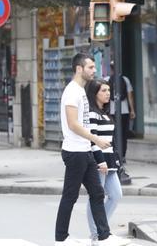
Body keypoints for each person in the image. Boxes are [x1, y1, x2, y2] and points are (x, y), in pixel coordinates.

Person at [54, 52, 129, 246]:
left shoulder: (80, 91)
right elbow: (72, 124)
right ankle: (61, 239)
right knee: (70, 196)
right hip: (74, 152)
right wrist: (95, 139)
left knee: (97, 193)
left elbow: (83, 123)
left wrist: (92, 147)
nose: (94, 70)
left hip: (84, 150)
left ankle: (103, 236)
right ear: (79, 69)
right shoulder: (72, 92)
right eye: (90, 67)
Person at [86, 79, 123, 242]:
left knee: (116, 195)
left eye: (108, 90)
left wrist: (116, 160)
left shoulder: (106, 113)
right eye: (103, 91)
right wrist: (100, 161)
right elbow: (92, 140)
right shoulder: (92, 114)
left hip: (110, 160)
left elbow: (111, 140)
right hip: (98, 160)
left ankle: (103, 229)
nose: (108, 93)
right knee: (96, 197)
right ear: (94, 94)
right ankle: (96, 233)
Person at [106, 62, 135, 161]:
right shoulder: (125, 80)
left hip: (112, 111)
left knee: (112, 134)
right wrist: (132, 110)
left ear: (111, 69)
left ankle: (114, 154)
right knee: (123, 134)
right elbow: (130, 96)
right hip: (124, 111)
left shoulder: (106, 80)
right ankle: (122, 155)